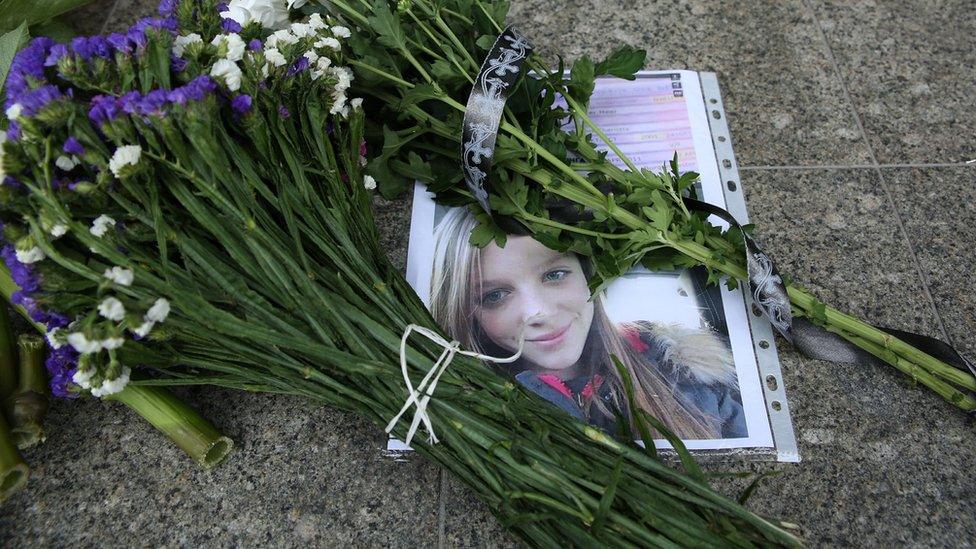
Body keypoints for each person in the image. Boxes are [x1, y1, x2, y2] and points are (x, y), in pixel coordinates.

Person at [429, 207, 747, 440]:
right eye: (495, 295)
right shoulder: (471, 419)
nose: (539, 312)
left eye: (554, 275)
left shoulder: (687, 375)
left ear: (588, 275)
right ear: (464, 313)